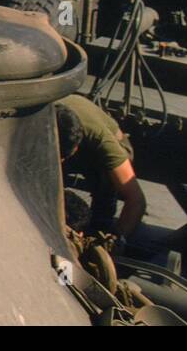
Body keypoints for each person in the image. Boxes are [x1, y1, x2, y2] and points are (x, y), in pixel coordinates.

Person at [55, 94, 145, 241]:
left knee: (105, 187)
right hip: (57, 133)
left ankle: (99, 227)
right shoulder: (38, 120)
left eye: (64, 157)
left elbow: (136, 201)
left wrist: (115, 240)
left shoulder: (102, 142)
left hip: (110, 146)